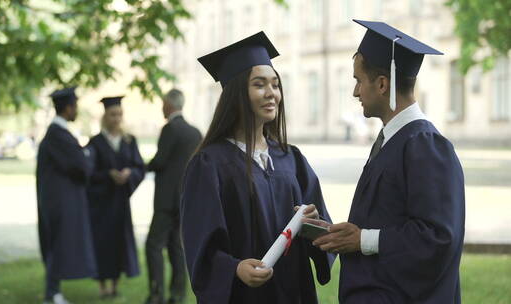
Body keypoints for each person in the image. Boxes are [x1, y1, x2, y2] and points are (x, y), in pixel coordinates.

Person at [309, 20, 465, 303]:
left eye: (358, 80)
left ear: (382, 84)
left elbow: (438, 238)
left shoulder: (425, 145)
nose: (355, 92)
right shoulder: (393, 140)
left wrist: (363, 240)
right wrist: (338, 232)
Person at [180, 31, 335, 304]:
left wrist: (312, 223)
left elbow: (324, 230)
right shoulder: (209, 164)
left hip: (293, 290)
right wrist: (234, 268)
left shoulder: (291, 159)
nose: (271, 93)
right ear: (237, 93)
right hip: (244, 295)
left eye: (275, 85)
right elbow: (200, 243)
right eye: (259, 85)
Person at [36, 87, 96, 304]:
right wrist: (88, 153)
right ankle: (52, 294)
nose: (76, 110)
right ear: (68, 108)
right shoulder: (58, 135)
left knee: (57, 244)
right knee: (56, 245)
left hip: (56, 201)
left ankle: (53, 292)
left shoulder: (57, 134)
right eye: (75, 106)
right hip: (59, 203)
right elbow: (81, 167)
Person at [144, 89, 202, 304]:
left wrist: (140, 167)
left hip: (166, 200)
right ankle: (178, 294)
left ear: (169, 105)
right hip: (185, 199)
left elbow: (160, 161)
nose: (161, 108)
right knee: (177, 247)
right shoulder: (195, 133)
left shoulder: (170, 129)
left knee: (153, 245)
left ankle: (156, 293)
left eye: (162, 104)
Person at [86, 96, 145, 298]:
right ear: (105, 116)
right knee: (102, 243)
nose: (117, 118)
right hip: (101, 204)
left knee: (119, 243)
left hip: (120, 203)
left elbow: (140, 167)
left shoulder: (129, 141)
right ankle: (102, 287)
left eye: (119, 114)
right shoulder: (95, 143)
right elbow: (89, 173)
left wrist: (129, 174)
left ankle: (115, 285)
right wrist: (108, 175)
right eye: (113, 114)